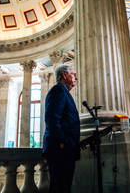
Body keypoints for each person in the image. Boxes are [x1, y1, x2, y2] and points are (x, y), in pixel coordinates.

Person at [42, 64, 80, 193]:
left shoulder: (63, 91)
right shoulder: (58, 90)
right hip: (60, 149)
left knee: (64, 187)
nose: (76, 78)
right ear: (64, 75)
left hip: (65, 148)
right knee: (60, 187)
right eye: (73, 74)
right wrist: (62, 142)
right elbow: (52, 119)